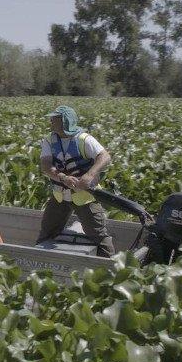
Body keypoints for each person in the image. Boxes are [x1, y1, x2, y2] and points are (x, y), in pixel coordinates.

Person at [36, 105, 115, 256]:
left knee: (98, 234)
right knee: (47, 230)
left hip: (84, 196)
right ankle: (38, 261)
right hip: (60, 194)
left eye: (54, 119)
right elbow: (46, 166)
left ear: (65, 122)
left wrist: (89, 175)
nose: (50, 121)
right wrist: (62, 177)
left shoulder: (84, 139)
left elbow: (104, 156)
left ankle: (112, 266)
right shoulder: (49, 140)